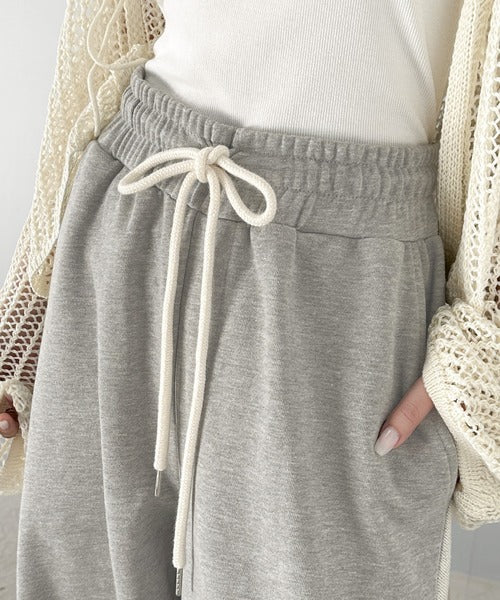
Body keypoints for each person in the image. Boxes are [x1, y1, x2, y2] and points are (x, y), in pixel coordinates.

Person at [0, 1, 499, 599]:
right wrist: (28, 320)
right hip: (139, 194)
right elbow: (114, 35)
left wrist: (484, 349)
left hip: (343, 284)